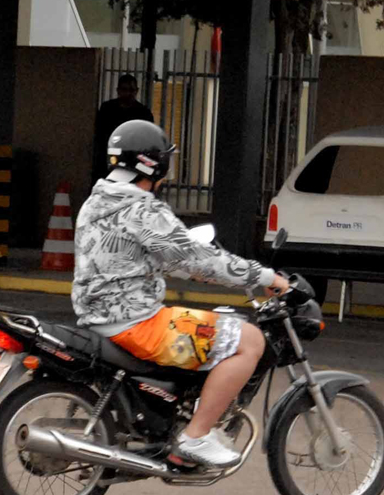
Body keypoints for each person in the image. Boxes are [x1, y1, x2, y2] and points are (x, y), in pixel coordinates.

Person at [72, 120, 288, 468]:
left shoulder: (96, 202)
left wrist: (189, 267)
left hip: (97, 317)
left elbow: (144, 256)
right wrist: (264, 276)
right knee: (250, 340)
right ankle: (196, 436)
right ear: (152, 163)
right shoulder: (143, 209)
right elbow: (197, 259)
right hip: (136, 324)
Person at [92, 74, 154, 183]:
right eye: (125, 89)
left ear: (137, 91)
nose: (128, 93)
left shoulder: (143, 112)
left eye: (131, 90)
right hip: (108, 158)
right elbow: (99, 134)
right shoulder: (107, 109)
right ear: (118, 90)